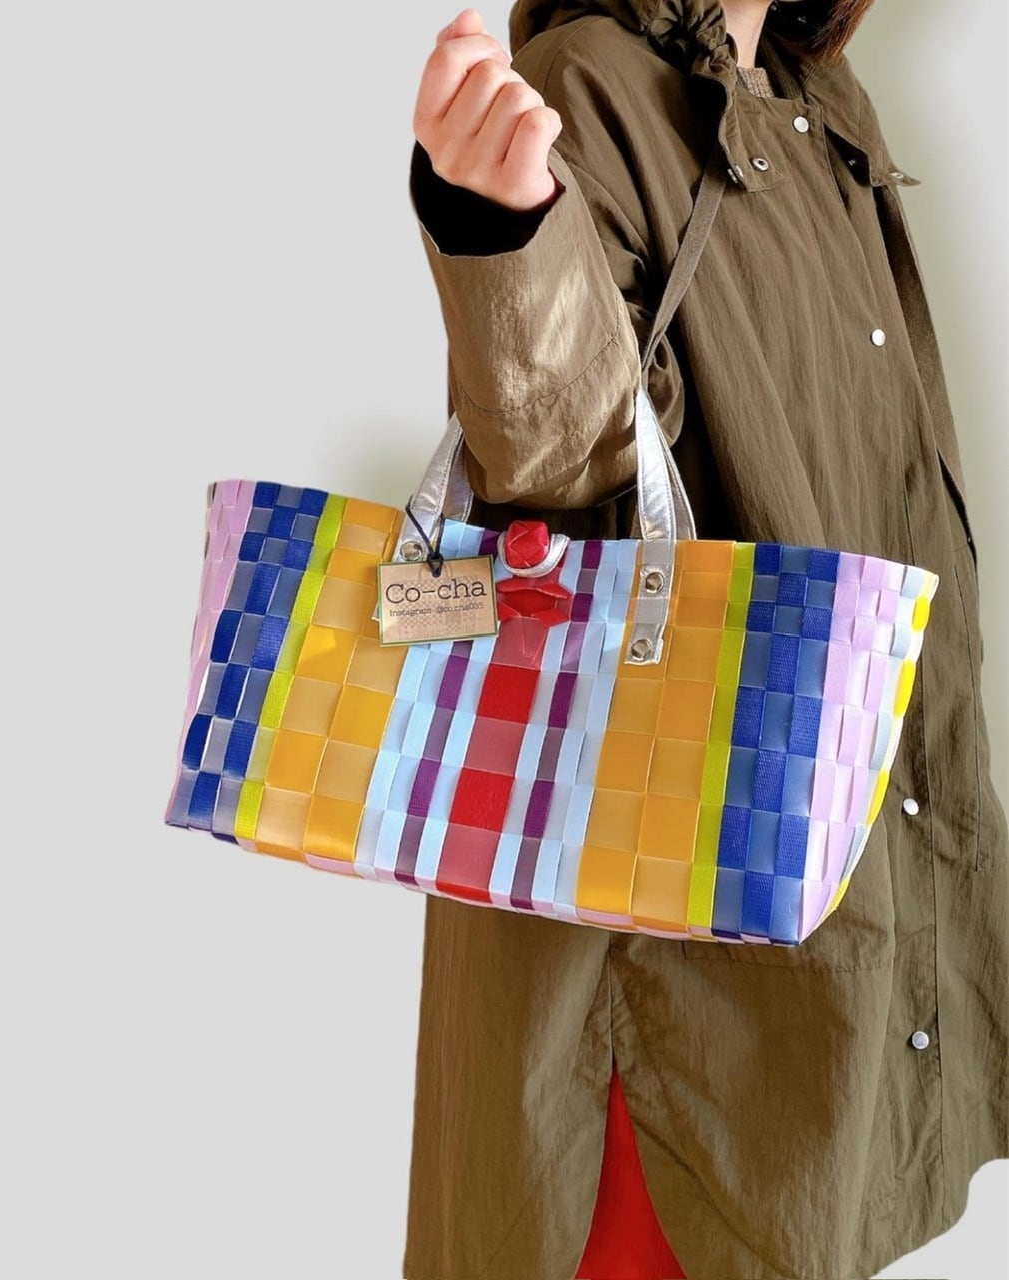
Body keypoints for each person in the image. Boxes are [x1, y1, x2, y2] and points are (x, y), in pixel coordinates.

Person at [402, 2, 1009, 1277]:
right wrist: (503, 235)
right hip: (670, 986)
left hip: (836, 912)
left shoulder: (816, 97)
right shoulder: (584, 82)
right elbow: (565, 474)